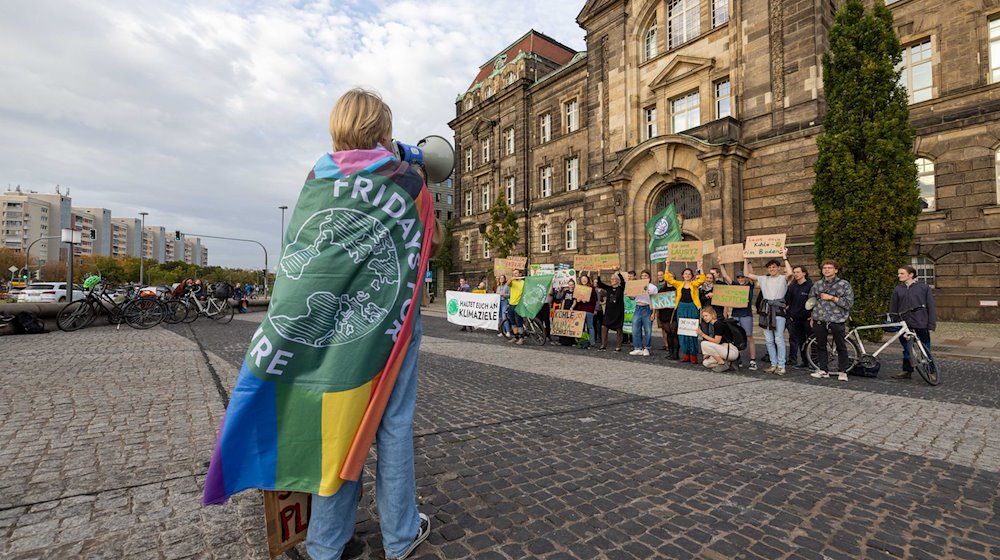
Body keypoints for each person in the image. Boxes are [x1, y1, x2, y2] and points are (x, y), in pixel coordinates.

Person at [203, 88, 433, 560]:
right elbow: (427, 241)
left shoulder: (316, 181)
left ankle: (327, 543)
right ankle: (401, 534)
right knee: (392, 424)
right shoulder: (409, 184)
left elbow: (300, 260)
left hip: (327, 333)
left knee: (337, 425)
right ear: (384, 131)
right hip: (387, 326)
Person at [743, 248, 794, 375]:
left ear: (778, 268)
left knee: (779, 338)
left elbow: (790, 273)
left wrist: (784, 257)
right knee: (769, 340)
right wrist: (745, 258)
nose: (772, 269)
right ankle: (773, 363)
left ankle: (781, 365)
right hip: (766, 310)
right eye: (770, 267)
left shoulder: (783, 279)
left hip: (778, 310)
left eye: (774, 267)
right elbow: (747, 274)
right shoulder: (763, 279)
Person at [809, 259, 854, 381]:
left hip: (837, 319)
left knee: (841, 346)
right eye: (824, 268)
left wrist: (832, 298)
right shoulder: (817, 285)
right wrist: (812, 316)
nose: (827, 270)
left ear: (836, 270)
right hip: (820, 318)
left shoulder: (844, 284)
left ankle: (843, 371)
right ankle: (823, 370)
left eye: (829, 268)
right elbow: (811, 301)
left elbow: (848, 303)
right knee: (821, 346)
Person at [889, 265, 936, 380]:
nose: (899, 275)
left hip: (921, 322)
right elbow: (893, 307)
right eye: (898, 273)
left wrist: (931, 324)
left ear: (911, 274)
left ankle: (930, 371)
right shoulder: (898, 289)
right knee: (906, 349)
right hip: (904, 324)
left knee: (925, 348)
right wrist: (895, 322)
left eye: (902, 273)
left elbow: (931, 306)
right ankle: (907, 371)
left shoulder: (923, 288)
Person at [663, 260, 706, 363]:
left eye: (689, 274)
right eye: (685, 274)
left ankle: (693, 354)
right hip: (681, 308)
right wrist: (667, 265)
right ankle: (686, 354)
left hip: (692, 308)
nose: (687, 275)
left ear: (691, 276)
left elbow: (702, 279)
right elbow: (667, 278)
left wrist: (701, 267)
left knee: (692, 331)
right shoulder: (679, 284)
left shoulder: (694, 284)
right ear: (682, 275)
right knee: (683, 332)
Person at [719, 264, 758, 370]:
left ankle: (753, 360)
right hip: (735, 315)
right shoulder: (735, 285)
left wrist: (748, 262)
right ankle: (737, 358)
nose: (741, 279)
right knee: (735, 337)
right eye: (739, 277)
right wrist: (721, 264)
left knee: (749, 337)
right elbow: (726, 276)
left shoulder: (750, 285)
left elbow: (752, 274)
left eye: (742, 277)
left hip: (746, 314)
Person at [696, 307, 740, 372]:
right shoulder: (715, 324)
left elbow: (717, 341)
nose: (705, 318)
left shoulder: (718, 324)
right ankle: (728, 363)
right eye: (703, 316)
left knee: (704, 343)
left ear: (712, 315)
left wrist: (703, 335)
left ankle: (721, 363)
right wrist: (708, 352)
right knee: (706, 363)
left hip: (730, 350)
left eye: (706, 315)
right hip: (724, 350)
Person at [785, 265, 813, 368]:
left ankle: (814, 362)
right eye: (794, 272)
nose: (795, 274)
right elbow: (788, 300)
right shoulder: (792, 286)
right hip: (795, 318)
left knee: (811, 341)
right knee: (801, 341)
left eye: (798, 272)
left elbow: (814, 301)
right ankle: (804, 361)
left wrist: (812, 315)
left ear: (804, 273)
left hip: (807, 318)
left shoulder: (810, 286)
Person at [628, 270, 657, 356]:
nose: (644, 277)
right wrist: (629, 294)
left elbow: (655, 300)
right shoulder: (637, 285)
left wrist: (654, 313)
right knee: (635, 328)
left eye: (645, 276)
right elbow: (632, 298)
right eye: (642, 276)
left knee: (647, 329)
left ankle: (647, 348)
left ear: (649, 277)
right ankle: (637, 347)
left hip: (648, 308)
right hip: (638, 307)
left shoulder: (653, 287)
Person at [597, 269, 626, 351]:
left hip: (618, 312)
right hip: (609, 312)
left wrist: (618, 272)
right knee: (604, 327)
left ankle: (618, 346)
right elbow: (600, 284)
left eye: (613, 279)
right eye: (611, 279)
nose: (611, 280)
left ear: (617, 280)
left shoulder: (621, 288)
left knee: (619, 329)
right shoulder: (608, 288)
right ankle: (603, 345)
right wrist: (599, 274)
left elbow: (623, 282)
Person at [656, 270, 680, 359]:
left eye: (671, 276)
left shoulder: (677, 289)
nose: (669, 278)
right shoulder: (662, 289)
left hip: (673, 313)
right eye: (668, 277)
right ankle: (670, 352)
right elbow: (658, 301)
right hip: (664, 313)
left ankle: (676, 353)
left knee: (674, 333)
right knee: (668, 333)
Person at [571, 274, 599, 348]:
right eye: (582, 279)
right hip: (580, 310)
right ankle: (581, 341)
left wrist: (587, 300)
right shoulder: (578, 288)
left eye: (585, 279)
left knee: (590, 326)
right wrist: (578, 300)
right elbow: (575, 298)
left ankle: (592, 342)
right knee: (580, 327)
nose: (584, 280)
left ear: (587, 280)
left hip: (589, 309)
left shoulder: (591, 288)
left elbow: (595, 299)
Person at [506, 269, 526, 345]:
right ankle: (516, 336)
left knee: (519, 322)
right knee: (512, 322)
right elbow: (507, 284)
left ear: (520, 274)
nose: (515, 275)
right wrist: (511, 278)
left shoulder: (523, 282)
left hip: (519, 304)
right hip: (512, 303)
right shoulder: (512, 282)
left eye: (516, 273)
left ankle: (521, 338)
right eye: (514, 274)